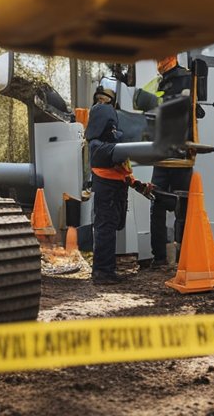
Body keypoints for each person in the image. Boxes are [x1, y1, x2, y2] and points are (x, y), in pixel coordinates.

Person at [148, 55, 196, 268]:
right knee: (158, 205)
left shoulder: (187, 78)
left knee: (182, 208)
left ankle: (182, 257)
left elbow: (192, 110)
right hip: (162, 155)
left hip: (178, 153)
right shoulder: (157, 83)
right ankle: (160, 259)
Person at [86, 83, 131, 285]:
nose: (101, 103)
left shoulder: (116, 130)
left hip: (116, 181)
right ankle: (103, 272)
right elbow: (103, 152)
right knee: (105, 226)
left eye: (105, 100)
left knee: (112, 224)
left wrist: (131, 179)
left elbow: (122, 158)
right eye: (98, 99)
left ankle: (106, 269)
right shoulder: (98, 139)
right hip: (106, 182)